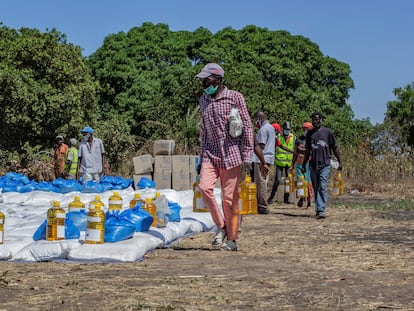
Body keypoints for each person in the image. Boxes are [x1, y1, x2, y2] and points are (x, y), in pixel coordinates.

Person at [195, 63, 254, 251]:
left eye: (207, 80)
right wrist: (201, 156)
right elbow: (203, 130)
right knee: (204, 189)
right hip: (210, 153)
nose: (204, 83)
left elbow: (247, 126)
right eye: (203, 80)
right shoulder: (203, 100)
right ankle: (221, 226)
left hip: (231, 155)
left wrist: (247, 156)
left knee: (229, 198)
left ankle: (232, 239)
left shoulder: (235, 97)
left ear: (218, 80)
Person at [302, 112, 342, 219]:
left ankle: (321, 210)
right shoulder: (310, 134)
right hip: (313, 165)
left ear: (321, 120)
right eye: (314, 120)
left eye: (318, 119)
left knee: (323, 186)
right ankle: (318, 207)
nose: (316, 122)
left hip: (325, 164)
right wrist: (303, 164)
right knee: (316, 187)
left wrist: (340, 161)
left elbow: (335, 148)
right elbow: (307, 151)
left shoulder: (328, 132)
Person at [252, 111, 275, 214]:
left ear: (259, 119)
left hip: (262, 159)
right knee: (263, 181)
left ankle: (262, 206)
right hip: (269, 157)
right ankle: (262, 204)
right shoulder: (271, 128)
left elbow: (260, 146)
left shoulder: (263, 129)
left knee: (260, 182)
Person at [267, 121, 295, 204]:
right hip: (279, 162)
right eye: (286, 129)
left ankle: (286, 199)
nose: (287, 131)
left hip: (288, 163)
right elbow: (279, 146)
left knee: (288, 181)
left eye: (288, 129)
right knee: (278, 180)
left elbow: (295, 148)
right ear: (283, 129)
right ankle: (271, 198)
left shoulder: (293, 137)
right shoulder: (278, 136)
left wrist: (293, 162)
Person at [291, 122, 314, 208]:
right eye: (303, 129)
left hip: (308, 163)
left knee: (308, 181)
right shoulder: (298, 140)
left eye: (306, 129)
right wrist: (292, 164)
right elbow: (295, 153)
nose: (304, 131)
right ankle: (301, 197)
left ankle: (308, 198)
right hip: (299, 164)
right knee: (300, 182)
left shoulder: (312, 139)